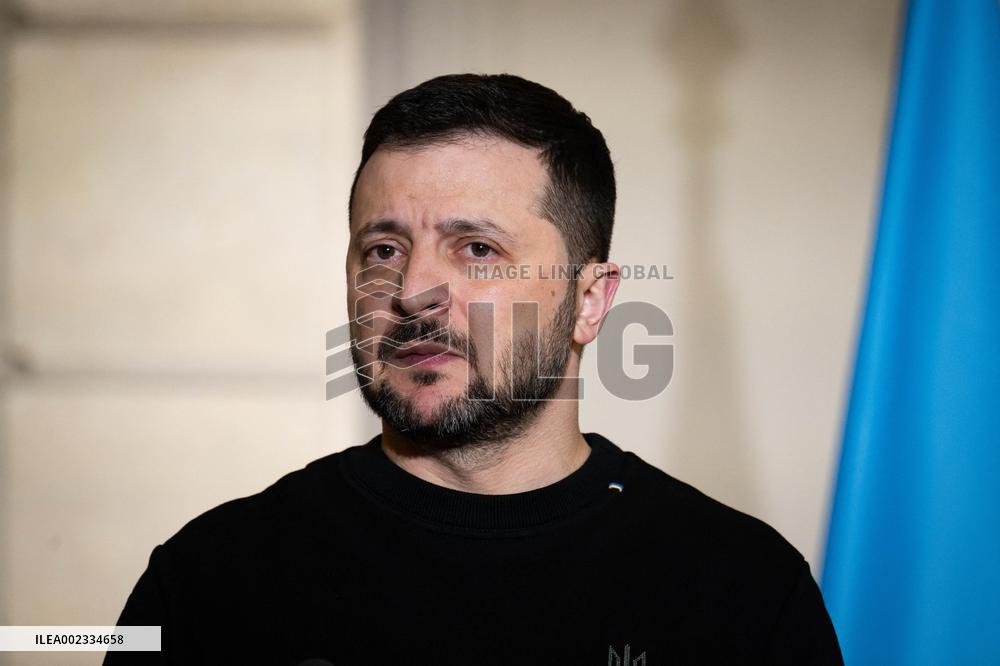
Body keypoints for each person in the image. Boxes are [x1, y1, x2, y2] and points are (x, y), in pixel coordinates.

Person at [106, 73, 843, 665]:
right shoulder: (207, 583)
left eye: (478, 250)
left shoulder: (741, 595)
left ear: (589, 302)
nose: (412, 292)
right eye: (384, 250)